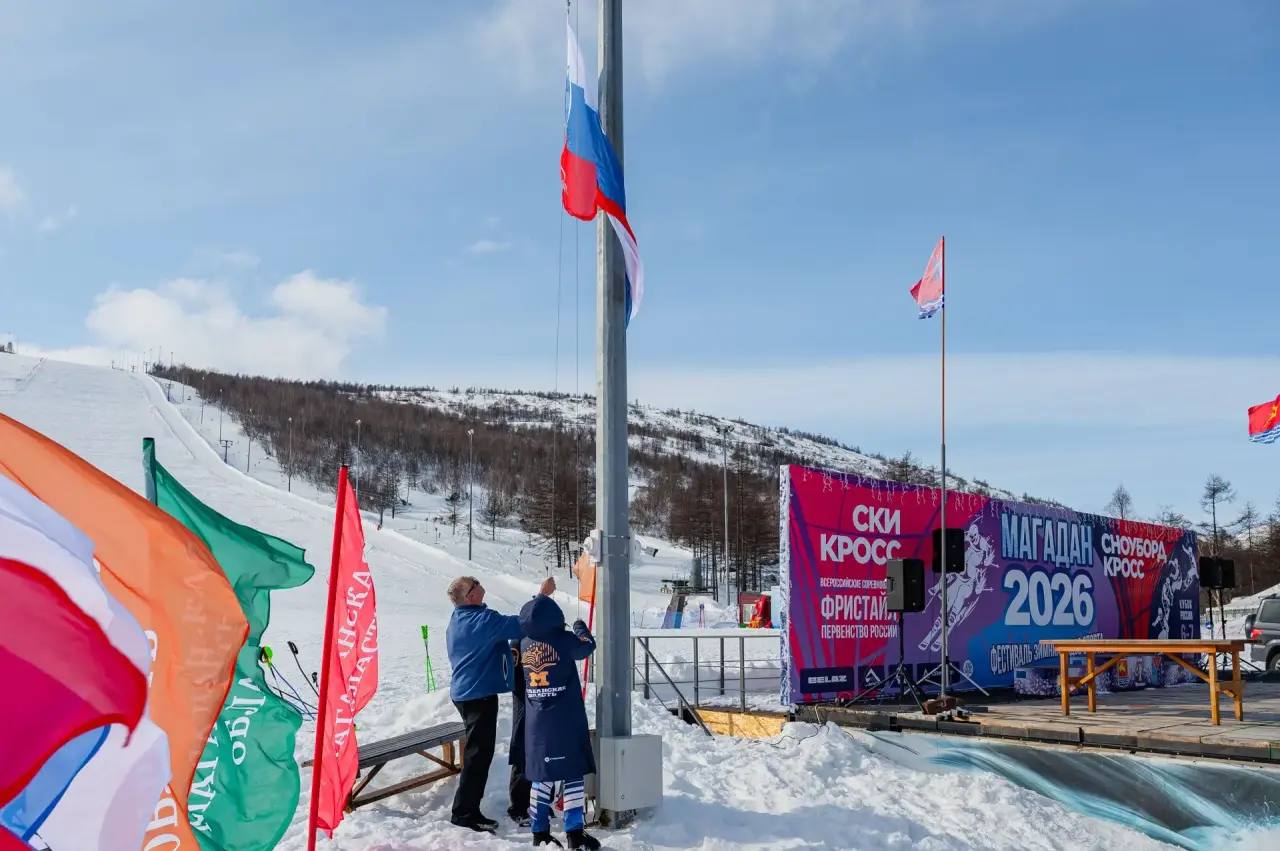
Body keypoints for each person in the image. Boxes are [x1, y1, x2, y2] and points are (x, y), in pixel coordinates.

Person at [446, 574, 555, 833]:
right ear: (470, 596)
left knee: (478, 755)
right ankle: (464, 813)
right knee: (477, 757)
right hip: (478, 696)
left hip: (467, 693)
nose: (479, 582)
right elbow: (523, 624)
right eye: (474, 583)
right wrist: (542, 596)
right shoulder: (482, 621)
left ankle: (468, 809)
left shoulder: (460, 618)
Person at [518, 594, 600, 850]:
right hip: (565, 720)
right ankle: (574, 832)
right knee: (572, 774)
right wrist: (580, 628)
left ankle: (539, 831)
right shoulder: (564, 640)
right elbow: (588, 646)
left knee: (541, 777)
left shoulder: (523, 642)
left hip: (536, 723)